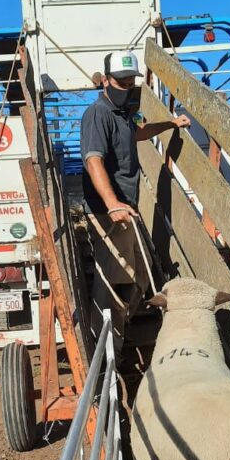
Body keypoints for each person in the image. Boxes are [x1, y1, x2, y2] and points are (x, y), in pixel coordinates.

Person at [80, 50, 191, 361]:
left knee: (141, 276)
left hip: (127, 208)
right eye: (121, 81)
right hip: (109, 213)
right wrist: (112, 203)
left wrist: (170, 124)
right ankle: (105, 354)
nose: (127, 86)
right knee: (115, 280)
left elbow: (140, 132)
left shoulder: (125, 113)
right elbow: (93, 161)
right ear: (105, 81)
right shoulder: (97, 114)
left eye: (131, 81)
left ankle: (116, 328)